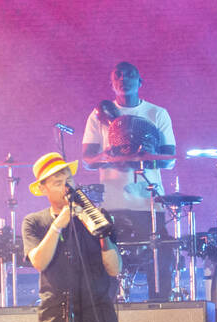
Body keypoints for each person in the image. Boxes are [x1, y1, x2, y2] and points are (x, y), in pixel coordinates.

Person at [22, 152, 124, 322]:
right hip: (56, 315)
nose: (66, 185)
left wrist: (101, 234)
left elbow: (114, 268)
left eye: (68, 178)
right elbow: (39, 262)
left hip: (96, 312)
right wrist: (59, 224)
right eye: (57, 181)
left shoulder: (97, 216)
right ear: (42, 188)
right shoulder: (35, 222)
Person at [82, 61, 176, 300]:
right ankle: (109, 313)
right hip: (112, 203)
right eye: (119, 76)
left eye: (131, 75)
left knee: (159, 261)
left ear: (140, 81)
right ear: (112, 84)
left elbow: (169, 158)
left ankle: (160, 307)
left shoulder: (157, 113)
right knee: (109, 265)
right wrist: (106, 156)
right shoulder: (98, 115)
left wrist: (139, 158)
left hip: (148, 203)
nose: (125, 79)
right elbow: (87, 159)